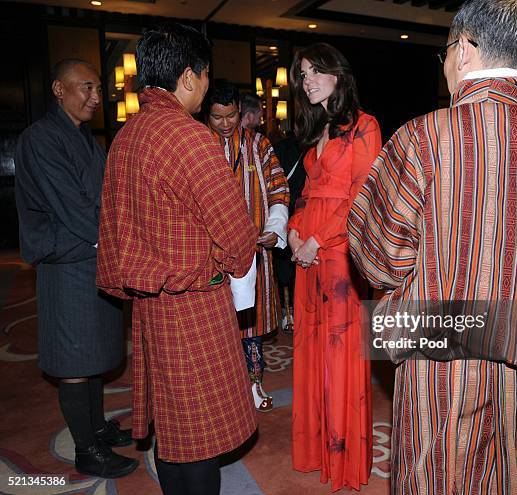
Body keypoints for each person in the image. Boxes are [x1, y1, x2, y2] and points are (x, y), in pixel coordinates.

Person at [348, 1, 517, 493]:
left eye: (445, 52)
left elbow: (378, 257)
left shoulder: (422, 140)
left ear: (464, 50)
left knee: (435, 476)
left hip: (437, 352)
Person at [96, 24, 258, 494]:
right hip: (193, 307)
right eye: (206, 77)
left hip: (149, 307)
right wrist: (217, 257)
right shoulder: (191, 139)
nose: (207, 89)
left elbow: (113, 233)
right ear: (189, 76)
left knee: (172, 432)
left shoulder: (125, 138)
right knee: (201, 437)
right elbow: (238, 241)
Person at [14, 59, 137, 478]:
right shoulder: (40, 139)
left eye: (98, 89)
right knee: (74, 358)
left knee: (97, 350)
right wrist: (116, 242)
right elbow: (73, 207)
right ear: (57, 89)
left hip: (94, 255)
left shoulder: (83, 137)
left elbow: (107, 194)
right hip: (67, 260)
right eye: (86, 87)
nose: (96, 98)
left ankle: (97, 428)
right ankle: (87, 450)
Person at [288, 43, 382, 491]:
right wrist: (291, 228)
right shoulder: (320, 129)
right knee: (311, 356)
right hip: (306, 256)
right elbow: (307, 193)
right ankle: (316, 449)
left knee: (340, 357)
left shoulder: (366, 127)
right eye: (303, 74)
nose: (307, 80)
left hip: (340, 258)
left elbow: (362, 197)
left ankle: (343, 460)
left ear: (338, 75)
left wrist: (316, 239)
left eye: (315, 72)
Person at [205, 79, 290, 412]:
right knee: (215, 328)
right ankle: (222, 391)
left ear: (239, 111)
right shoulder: (198, 146)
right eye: (217, 118)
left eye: (231, 116)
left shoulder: (259, 145)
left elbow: (280, 189)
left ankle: (255, 384)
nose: (226, 124)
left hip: (254, 254)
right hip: (211, 258)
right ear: (206, 115)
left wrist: (274, 227)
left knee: (250, 325)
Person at [272, 131, 307, 333]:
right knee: (292, 268)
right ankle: (292, 312)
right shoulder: (308, 146)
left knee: (286, 266)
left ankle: (288, 312)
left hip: (283, 211)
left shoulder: (280, 146)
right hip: (299, 212)